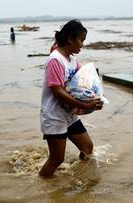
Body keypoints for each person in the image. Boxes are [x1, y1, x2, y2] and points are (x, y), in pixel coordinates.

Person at [39, 20, 103, 178]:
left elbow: (84, 83)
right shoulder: (55, 60)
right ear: (70, 39)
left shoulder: (72, 61)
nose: (82, 45)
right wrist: (84, 104)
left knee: (87, 148)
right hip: (54, 116)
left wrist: (97, 99)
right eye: (81, 40)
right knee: (56, 159)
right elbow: (57, 91)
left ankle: (79, 177)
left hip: (69, 114)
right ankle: (42, 186)